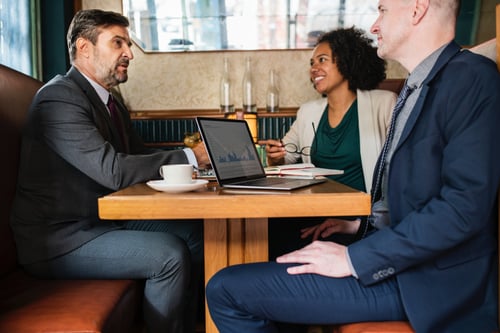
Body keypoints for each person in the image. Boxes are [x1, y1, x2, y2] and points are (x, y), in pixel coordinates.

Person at [206, 0, 500, 332]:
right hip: (405, 264)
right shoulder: (419, 87)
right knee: (277, 254)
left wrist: (352, 258)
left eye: (383, 11)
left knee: (225, 289)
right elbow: (414, 198)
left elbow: (463, 208)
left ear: (418, 9)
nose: (374, 26)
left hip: (429, 285)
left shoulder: (471, 78)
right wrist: (358, 226)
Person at [10, 9, 210, 333]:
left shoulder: (110, 102)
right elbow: (114, 171)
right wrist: (189, 156)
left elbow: (138, 156)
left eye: (128, 44)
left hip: (101, 220)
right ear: (84, 48)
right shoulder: (58, 98)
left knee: (196, 234)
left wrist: (195, 164)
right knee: (169, 255)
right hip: (61, 238)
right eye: (118, 42)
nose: (129, 53)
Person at [263, 27, 396, 260]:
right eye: (312, 62)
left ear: (346, 62)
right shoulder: (308, 112)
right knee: (263, 232)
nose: (313, 68)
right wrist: (276, 156)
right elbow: (286, 156)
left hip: (361, 219)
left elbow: (400, 173)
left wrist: (359, 221)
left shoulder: (383, 103)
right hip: (313, 211)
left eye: (322, 60)